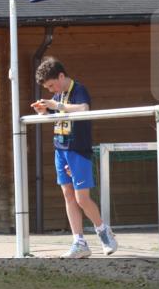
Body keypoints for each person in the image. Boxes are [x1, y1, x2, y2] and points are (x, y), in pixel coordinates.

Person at [32, 57, 118, 258]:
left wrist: (56, 105)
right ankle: (79, 242)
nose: (51, 90)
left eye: (51, 85)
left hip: (77, 150)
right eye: (48, 88)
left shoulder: (78, 89)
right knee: (68, 195)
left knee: (82, 198)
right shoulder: (58, 95)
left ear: (61, 76)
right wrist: (44, 111)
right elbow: (58, 114)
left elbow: (83, 109)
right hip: (60, 149)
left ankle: (104, 232)